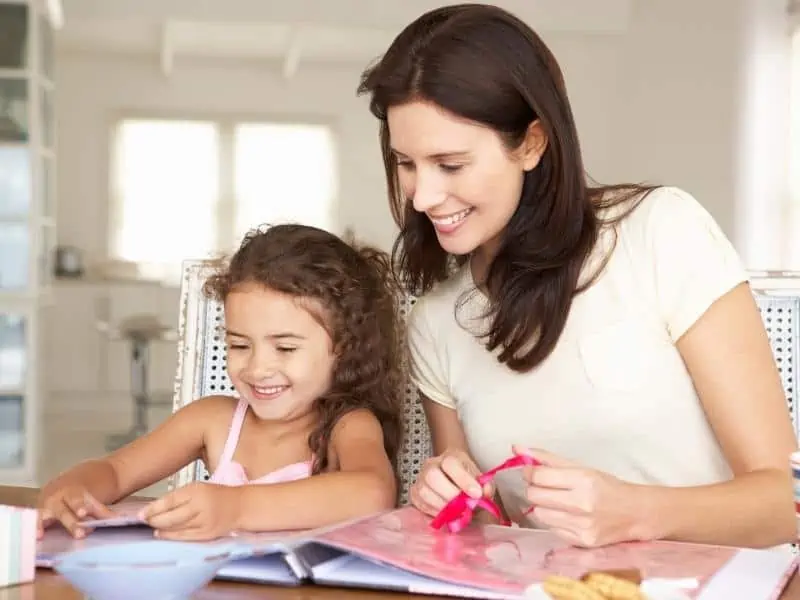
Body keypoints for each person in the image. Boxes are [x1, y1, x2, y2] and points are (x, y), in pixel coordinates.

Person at [358, 3, 797, 548]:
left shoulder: (659, 232)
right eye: (406, 163)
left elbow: (788, 502)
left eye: (450, 165)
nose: (422, 197)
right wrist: (454, 503)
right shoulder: (437, 322)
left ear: (533, 143)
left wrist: (637, 512)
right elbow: (486, 532)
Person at [37, 224, 403, 541]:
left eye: (286, 347)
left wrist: (236, 507)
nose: (258, 367)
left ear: (344, 348)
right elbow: (115, 471)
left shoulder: (348, 426)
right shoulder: (213, 421)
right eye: (239, 344)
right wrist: (72, 490)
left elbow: (372, 492)